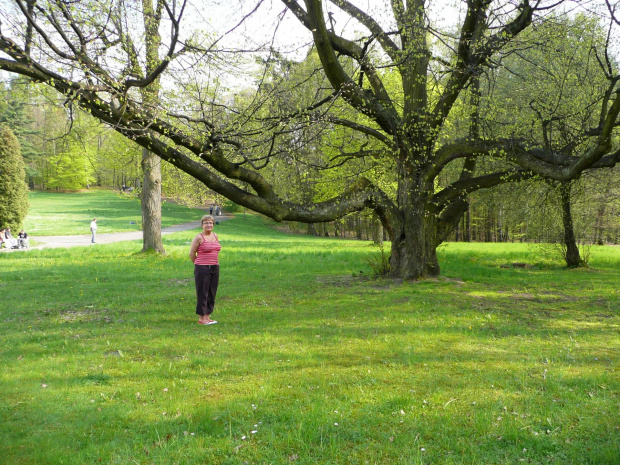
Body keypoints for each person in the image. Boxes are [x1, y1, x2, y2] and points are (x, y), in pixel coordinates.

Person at [189, 215, 222, 325]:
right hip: (202, 268)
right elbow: (192, 254)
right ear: (202, 225)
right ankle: (202, 319)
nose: (209, 225)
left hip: (215, 267)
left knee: (212, 293)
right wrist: (199, 265)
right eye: (206, 223)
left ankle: (208, 316)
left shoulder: (215, 236)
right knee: (203, 293)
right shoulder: (199, 237)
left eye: (211, 223)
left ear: (213, 224)